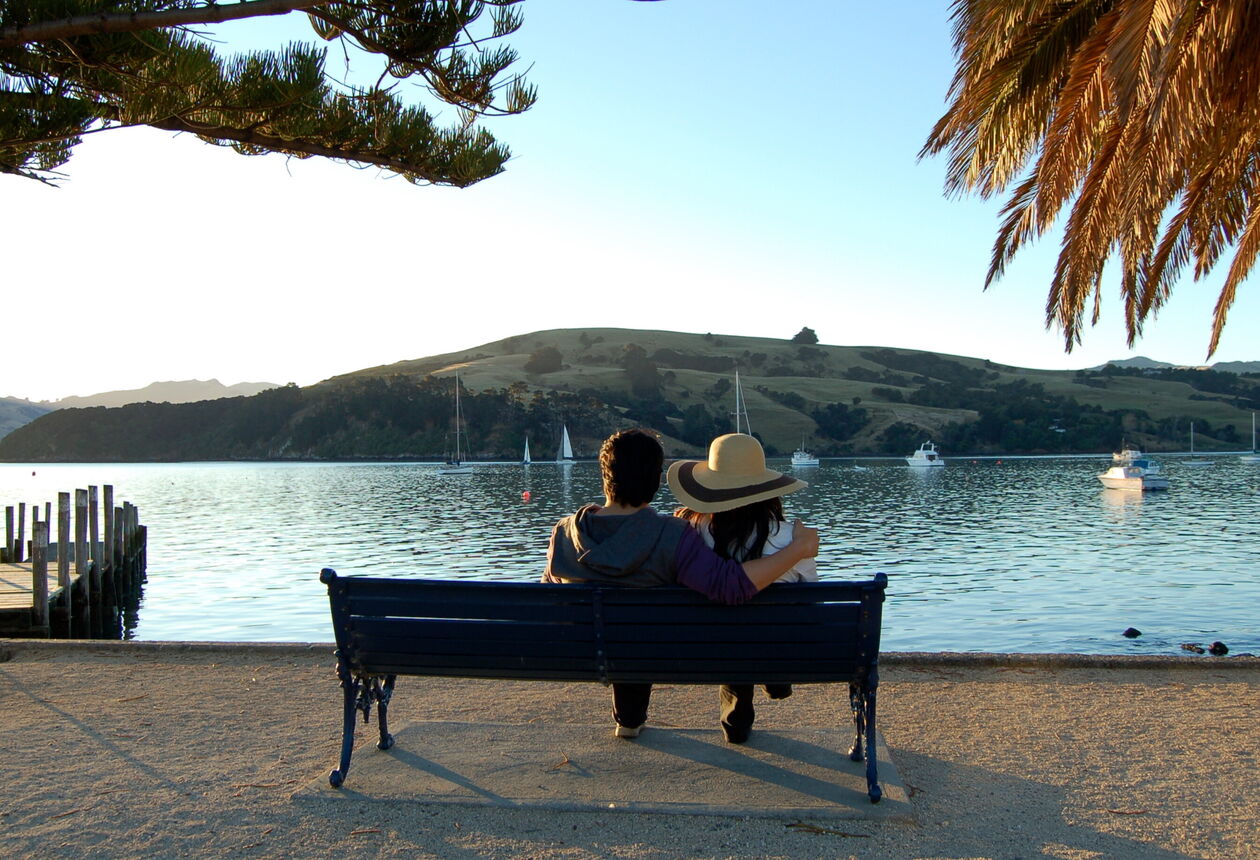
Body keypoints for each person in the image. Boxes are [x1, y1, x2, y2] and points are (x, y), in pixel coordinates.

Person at [543, 428, 818, 740]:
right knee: (636, 631)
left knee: (619, 627)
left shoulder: (564, 532)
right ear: (656, 480)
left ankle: (629, 718)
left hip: (580, 650)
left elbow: (548, 597)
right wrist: (799, 548)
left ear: (605, 476)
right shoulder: (672, 535)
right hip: (655, 649)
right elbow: (728, 586)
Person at [669, 432, 816, 743]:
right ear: (766, 488)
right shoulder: (792, 538)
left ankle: (736, 718)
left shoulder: (689, 533)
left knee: (729, 629)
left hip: (709, 646)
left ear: (709, 489)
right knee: (772, 623)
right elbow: (811, 597)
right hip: (778, 646)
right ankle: (775, 674)